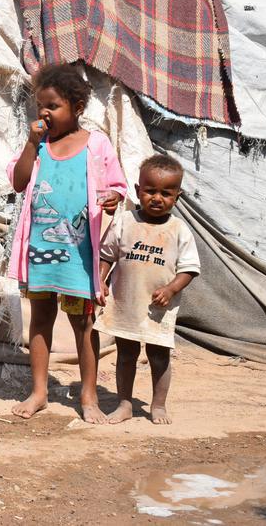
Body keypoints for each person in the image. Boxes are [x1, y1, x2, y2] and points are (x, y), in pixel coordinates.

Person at [7, 63, 127, 423]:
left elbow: (117, 185)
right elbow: (18, 181)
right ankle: (39, 392)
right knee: (41, 319)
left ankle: (89, 396)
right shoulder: (39, 146)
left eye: (53, 106)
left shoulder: (96, 145)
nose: (44, 112)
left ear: (77, 106)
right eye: (40, 106)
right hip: (41, 251)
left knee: (83, 324)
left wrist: (113, 199)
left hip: (79, 254)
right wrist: (31, 142)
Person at [95, 154, 200, 425]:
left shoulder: (179, 230)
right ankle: (125, 404)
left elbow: (189, 268)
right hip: (126, 303)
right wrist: (101, 281)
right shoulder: (124, 221)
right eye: (150, 191)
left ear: (177, 195)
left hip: (158, 309)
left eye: (166, 193)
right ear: (138, 191)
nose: (157, 198)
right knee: (126, 354)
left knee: (158, 356)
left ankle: (158, 405)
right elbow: (107, 255)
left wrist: (171, 288)